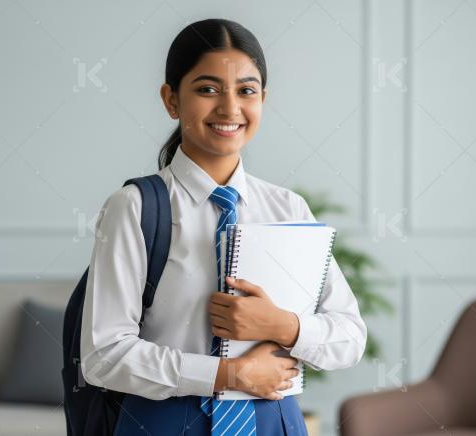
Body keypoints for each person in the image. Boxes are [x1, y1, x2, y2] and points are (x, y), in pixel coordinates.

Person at [80, 18, 367, 435]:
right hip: (163, 423)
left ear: (263, 99)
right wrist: (228, 375)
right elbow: (104, 355)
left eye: (246, 90)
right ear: (171, 100)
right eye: (207, 89)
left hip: (274, 421)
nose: (230, 108)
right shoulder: (135, 208)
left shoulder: (288, 208)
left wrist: (281, 325)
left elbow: (350, 338)